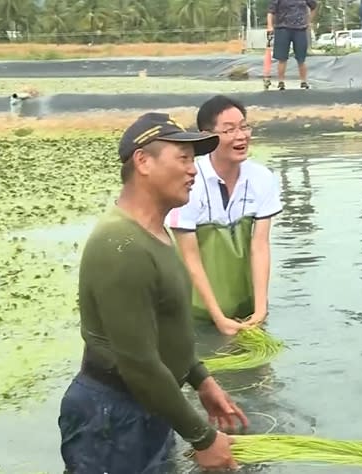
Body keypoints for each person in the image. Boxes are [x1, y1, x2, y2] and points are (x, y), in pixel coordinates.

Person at [58, 112, 249, 473]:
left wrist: (200, 378)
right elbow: (138, 363)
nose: (194, 170)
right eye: (183, 158)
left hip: (151, 403)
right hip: (111, 417)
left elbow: (163, 324)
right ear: (143, 162)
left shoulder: (154, 234)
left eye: (194, 159)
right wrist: (203, 438)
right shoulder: (121, 244)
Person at [167, 96, 282, 337]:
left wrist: (261, 309)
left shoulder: (261, 178)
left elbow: (260, 245)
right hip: (195, 310)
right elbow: (190, 258)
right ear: (206, 137)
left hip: (245, 307)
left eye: (244, 126)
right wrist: (218, 317)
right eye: (229, 130)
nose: (241, 136)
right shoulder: (187, 181)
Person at [267, 0, 318, 91]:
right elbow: (270, 12)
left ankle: (303, 81)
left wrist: (308, 21)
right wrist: (269, 26)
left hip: (300, 29)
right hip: (282, 28)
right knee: (282, 58)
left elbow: (313, 7)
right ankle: (281, 82)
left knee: (301, 58)